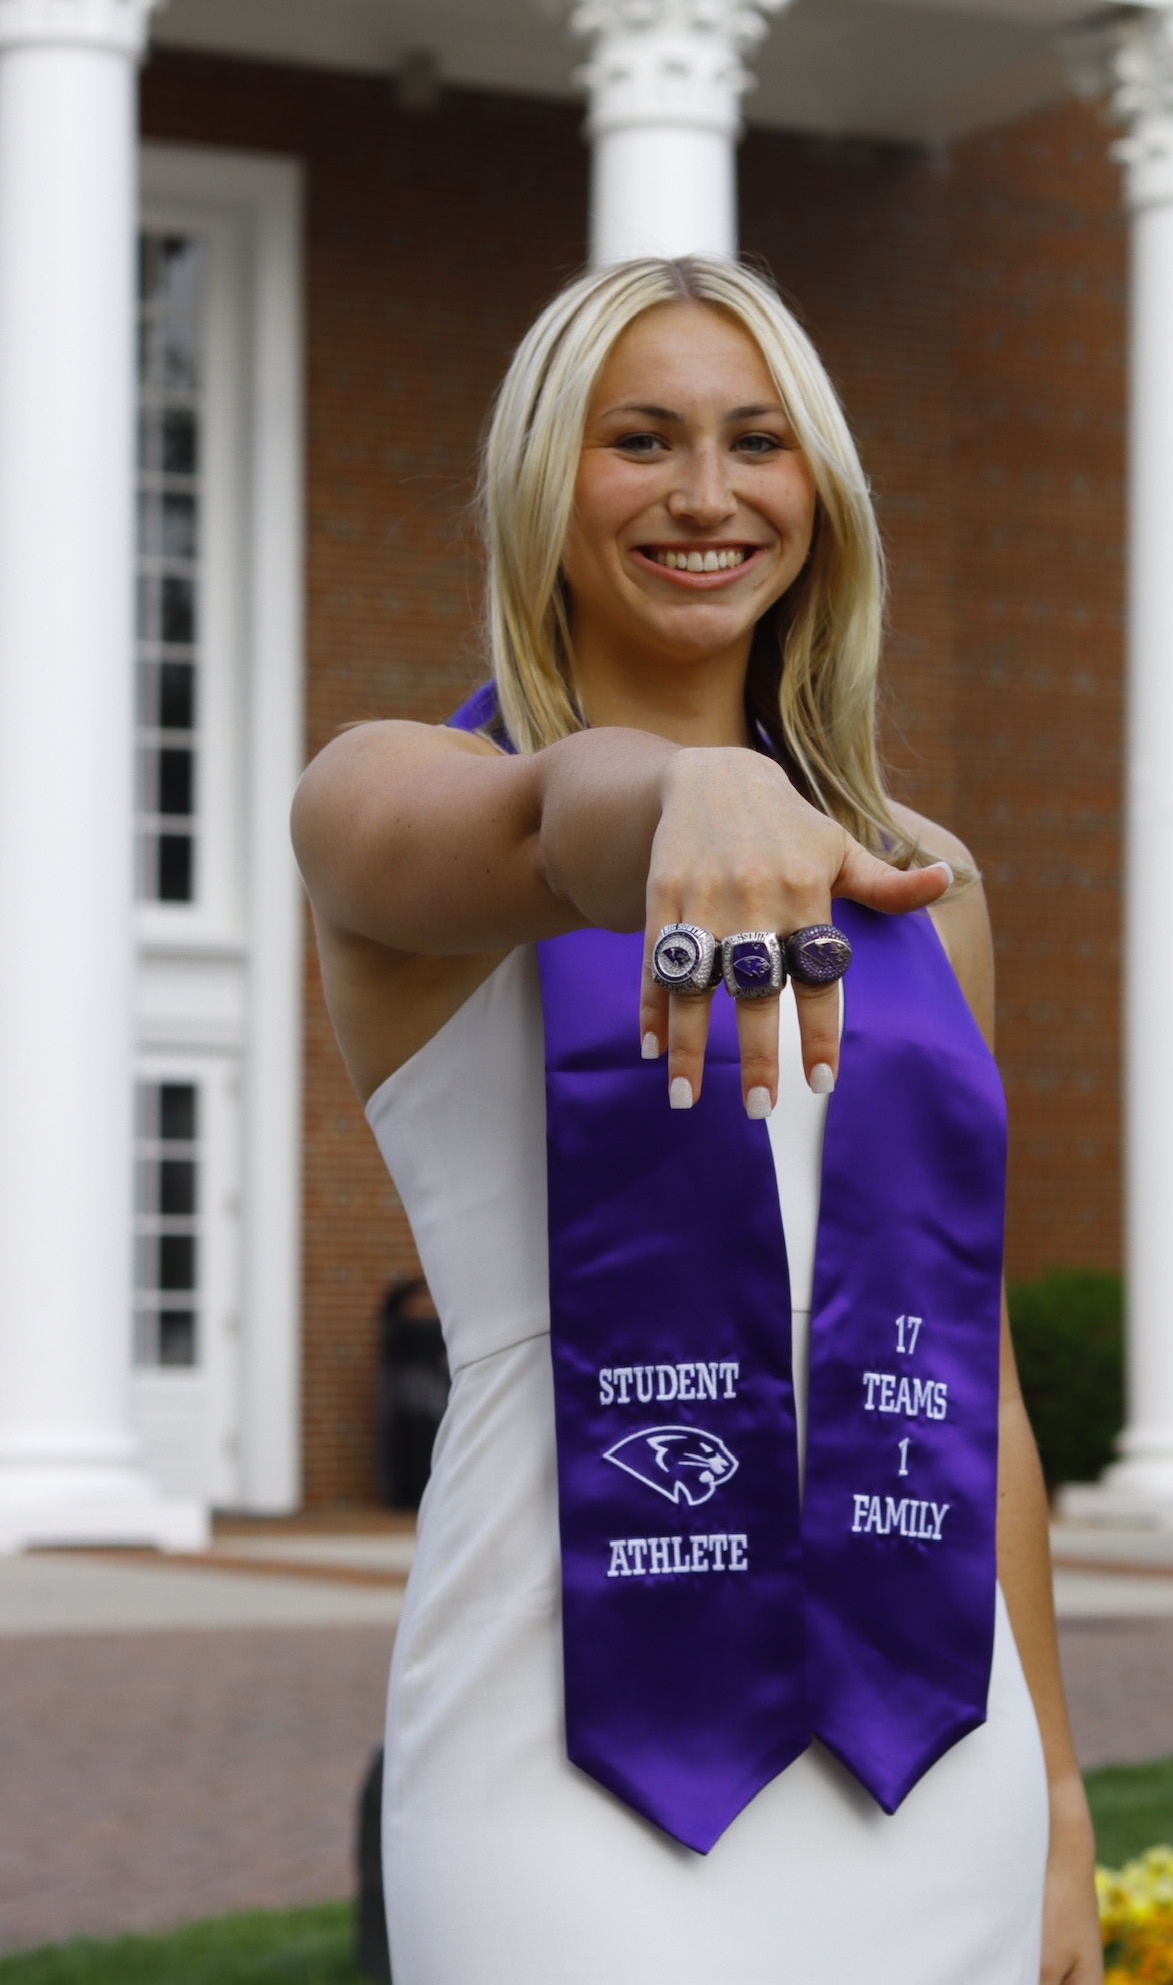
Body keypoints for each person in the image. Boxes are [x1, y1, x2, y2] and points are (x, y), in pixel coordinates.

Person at [292, 257, 1102, 1985]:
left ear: (823, 488)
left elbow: (977, 1378)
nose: (707, 495)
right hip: (560, 1743)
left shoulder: (923, 884)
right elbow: (544, 832)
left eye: (759, 441)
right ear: (541, 483)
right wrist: (680, 784)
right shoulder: (387, 798)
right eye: (639, 440)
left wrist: (1059, 1789)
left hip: (929, 1770)